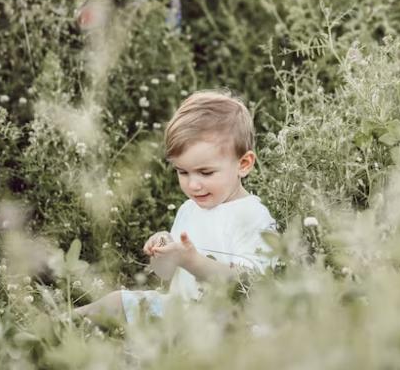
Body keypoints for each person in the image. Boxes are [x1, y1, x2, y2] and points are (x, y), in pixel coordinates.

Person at [74, 90, 277, 324]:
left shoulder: (251, 216)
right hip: (181, 309)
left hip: (227, 320)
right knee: (116, 301)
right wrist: (163, 253)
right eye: (182, 172)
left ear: (243, 164)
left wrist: (192, 261)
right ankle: (55, 327)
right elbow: (166, 275)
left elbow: (248, 284)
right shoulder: (189, 209)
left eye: (206, 172)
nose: (193, 184)